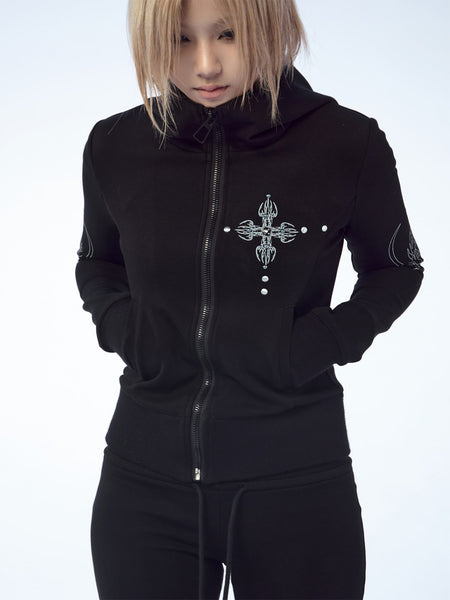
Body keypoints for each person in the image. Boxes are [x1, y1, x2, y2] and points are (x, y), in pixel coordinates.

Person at [75, 0, 425, 598]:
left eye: (229, 35)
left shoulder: (347, 142)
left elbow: (396, 267)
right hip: (144, 484)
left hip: (297, 481)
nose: (205, 65)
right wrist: (124, 328)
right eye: (179, 39)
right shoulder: (116, 144)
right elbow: (97, 262)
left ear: (271, 24)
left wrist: (321, 342)